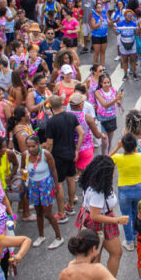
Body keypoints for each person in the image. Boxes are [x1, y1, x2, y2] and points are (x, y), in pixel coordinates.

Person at [77, 156, 129, 280]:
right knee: (109, 254)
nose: (114, 172)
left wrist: (116, 148)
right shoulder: (98, 193)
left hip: (97, 220)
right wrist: (117, 220)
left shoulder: (92, 180)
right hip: (100, 223)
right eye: (112, 170)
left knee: (98, 255)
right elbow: (95, 216)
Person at [44, 95, 84, 223]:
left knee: (59, 183)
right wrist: (76, 150)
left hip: (58, 156)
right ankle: (71, 206)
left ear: (50, 106)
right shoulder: (71, 116)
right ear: (62, 103)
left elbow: (49, 143)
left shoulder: (51, 122)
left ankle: (61, 213)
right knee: (71, 179)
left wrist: (47, 157)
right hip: (71, 154)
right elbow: (81, 132)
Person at [21, 135, 64, 249]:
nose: (30, 149)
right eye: (28, 146)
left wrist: (56, 187)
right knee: (38, 211)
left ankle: (59, 237)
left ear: (39, 145)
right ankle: (41, 236)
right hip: (33, 185)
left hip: (46, 185)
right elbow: (22, 168)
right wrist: (23, 172)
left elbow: (54, 170)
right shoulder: (25, 155)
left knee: (47, 213)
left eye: (33, 146)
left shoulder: (46, 155)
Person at [110, 133, 141, 252]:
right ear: (135, 145)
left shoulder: (118, 158)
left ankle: (129, 241)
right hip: (139, 187)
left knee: (126, 215)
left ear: (123, 146)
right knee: (137, 213)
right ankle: (136, 237)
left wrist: (117, 147)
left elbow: (105, 159)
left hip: (124, 189)